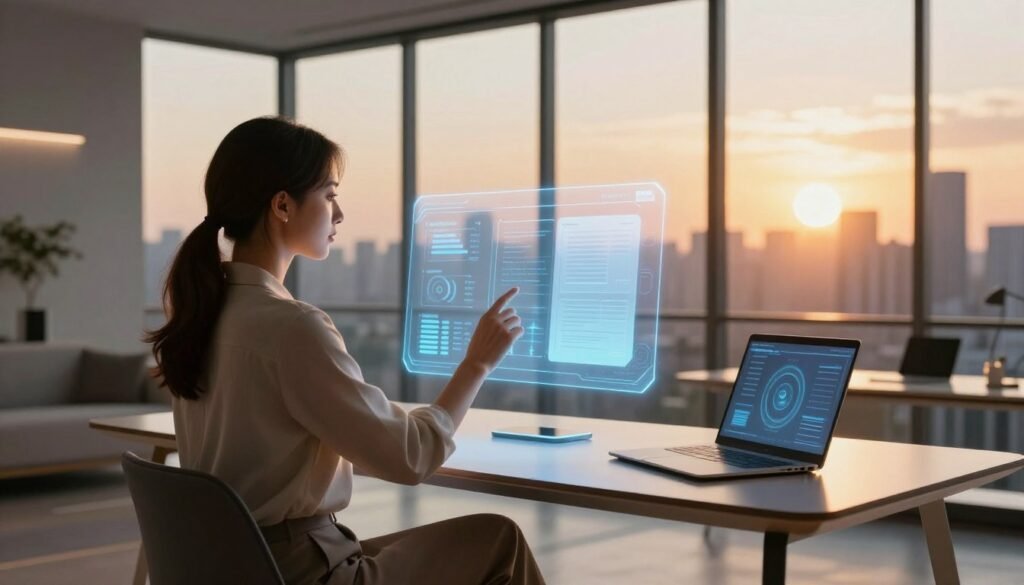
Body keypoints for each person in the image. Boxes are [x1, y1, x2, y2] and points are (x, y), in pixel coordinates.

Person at [146, 116, 546, 585]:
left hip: (230, 563)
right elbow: (410, 457)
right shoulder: (292, 327)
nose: (339, 214)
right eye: (330, 195)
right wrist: (477, 363)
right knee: (498, 540)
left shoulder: (205, 314)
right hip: (297, 572)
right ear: (282, 205)